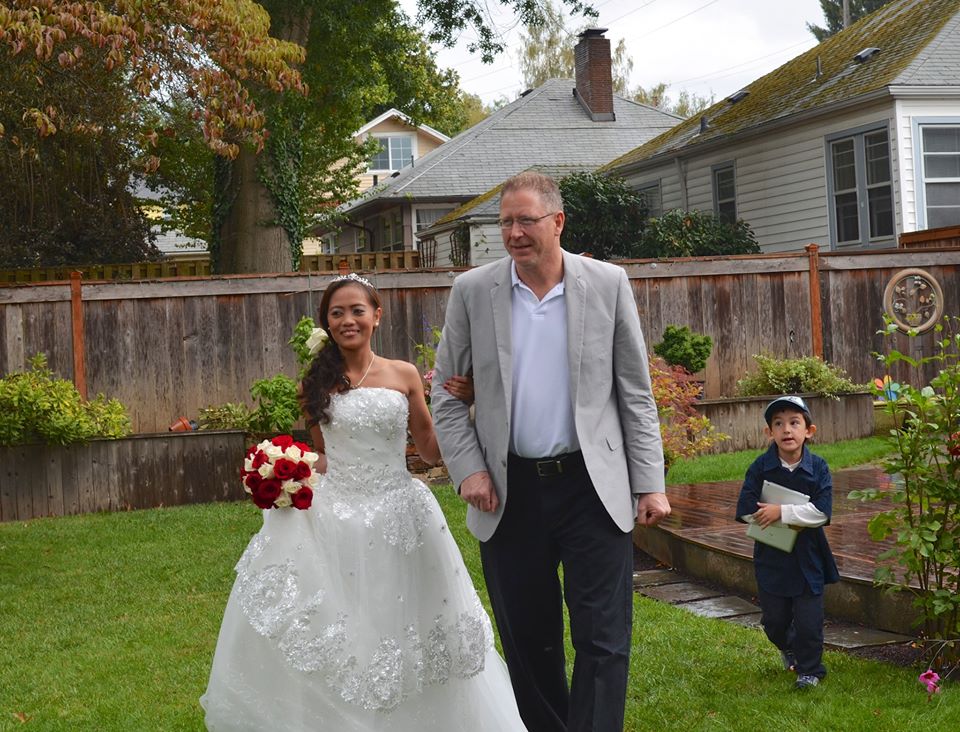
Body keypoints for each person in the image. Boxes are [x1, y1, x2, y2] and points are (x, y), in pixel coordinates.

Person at [201, 273, 527, 731]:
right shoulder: (313, 385)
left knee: (412, 618)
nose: (348, 319)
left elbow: (430, 448)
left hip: (401, 512)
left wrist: (470, 411)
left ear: (376, 316)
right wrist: (284, 467)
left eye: (357, 310)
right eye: (337, 313)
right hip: (337, 514)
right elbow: (328, 457)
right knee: (344, 622)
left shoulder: (404, 373)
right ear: (327, 323)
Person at [431, 171, 670, 732]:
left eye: (526, 220)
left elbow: (635, 392)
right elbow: (445, 396)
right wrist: (469, 470)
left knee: (604, 639)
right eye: (506, 222)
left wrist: (649, 482)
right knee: (530, 644)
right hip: (510, 494)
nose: (514, 233)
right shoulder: (473, 291)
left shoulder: (608, 284)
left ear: (557, 222)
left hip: (593, 487)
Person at [735, 395, 840, 690]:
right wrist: (762, 516)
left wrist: (780, 511)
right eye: (778, 424)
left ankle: (810, 670)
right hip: (772, 557)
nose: (787, 430)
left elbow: (821, 512)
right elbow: (745, 509)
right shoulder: (760, 468)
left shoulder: (817, 468)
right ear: (769, 433)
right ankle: (789, 646)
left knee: (809, 620)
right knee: (774, 621)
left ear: (809, 430)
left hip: (808, 558)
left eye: (794, 423)